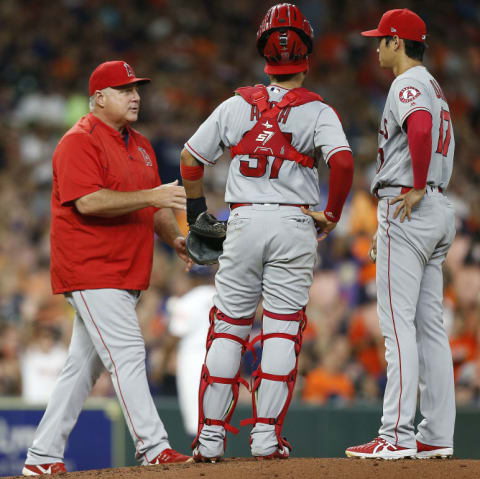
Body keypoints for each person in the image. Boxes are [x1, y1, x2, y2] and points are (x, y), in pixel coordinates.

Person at [180, 3, 354, 461]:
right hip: (294, 222)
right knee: (281, 330)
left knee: (229, 328)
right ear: (308, 54)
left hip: (243, 221)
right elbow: (342, 163)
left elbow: (190, 160)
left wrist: (197, 213)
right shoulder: (319, 111)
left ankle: (211, 438)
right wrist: (332, 214)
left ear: (263, 51)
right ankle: (264, 438)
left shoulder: (236, 105)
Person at [23, 60, 193, 476]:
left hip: (123, 271)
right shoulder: (78, 142)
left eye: (137, 89)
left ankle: (42, 457)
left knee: (81, 367)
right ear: (99, 98)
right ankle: (153, 446)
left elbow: (154, 205)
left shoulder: (141, 144)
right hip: (91, 268)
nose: (136, 96)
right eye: (124, 90)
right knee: (128, 352)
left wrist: (175, 238)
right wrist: (152, 196)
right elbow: (89, 202)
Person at [345, 9, 456, 459]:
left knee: (398, 328)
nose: (376, 47)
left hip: (409, 205)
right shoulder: (435, 86)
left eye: (381, 39)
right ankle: (437, 434)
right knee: (430, 327)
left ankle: (396, 434)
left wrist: (411, 186)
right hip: (437, 208)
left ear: (397, 42)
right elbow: (429, 125)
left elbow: (421, 128)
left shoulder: (407, 83)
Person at [158, 266, 216, 438]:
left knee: (196, 415)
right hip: (221, 357)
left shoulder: (188, 301)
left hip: (194, 360)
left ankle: (204, 455)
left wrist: (160, 367)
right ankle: (216, 456)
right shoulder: (222, 297)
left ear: (192, 278)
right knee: (216, 413)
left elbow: (173, 337)